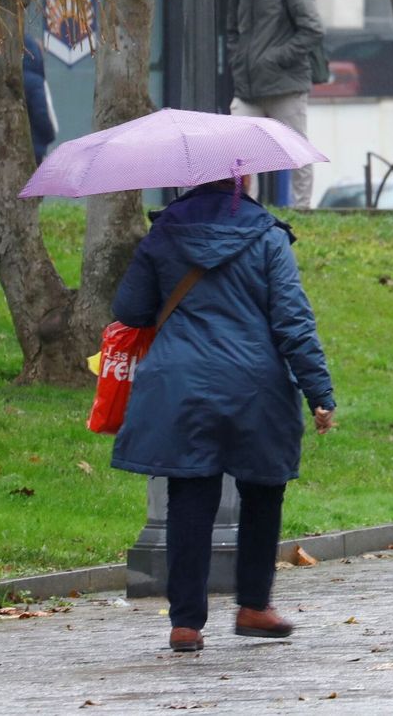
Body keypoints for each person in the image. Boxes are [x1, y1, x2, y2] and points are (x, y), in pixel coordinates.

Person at [110, 178, 337, 653]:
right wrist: (320, 392)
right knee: (262, 490)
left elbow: (129, 310)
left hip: (179, 383)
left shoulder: (162, 236)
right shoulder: (268, 237)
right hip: (255, 385)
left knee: (190, 494)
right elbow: (293, 320)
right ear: (245, 181)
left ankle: (186, 623)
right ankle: (254, 605)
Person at [221, 0, 326, 209]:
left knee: (297, 149)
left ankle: (302, 207)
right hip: (248, 89)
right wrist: (239, 60)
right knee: (238, 151)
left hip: (286, 86)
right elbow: (232, 31)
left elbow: (313, 29)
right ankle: (245, 206)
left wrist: (277, 58)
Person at [22, 34, 57, 165]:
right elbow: (41, 112)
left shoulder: (7, 79)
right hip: (33, 147)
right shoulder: (35, 82)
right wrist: (49, 135)